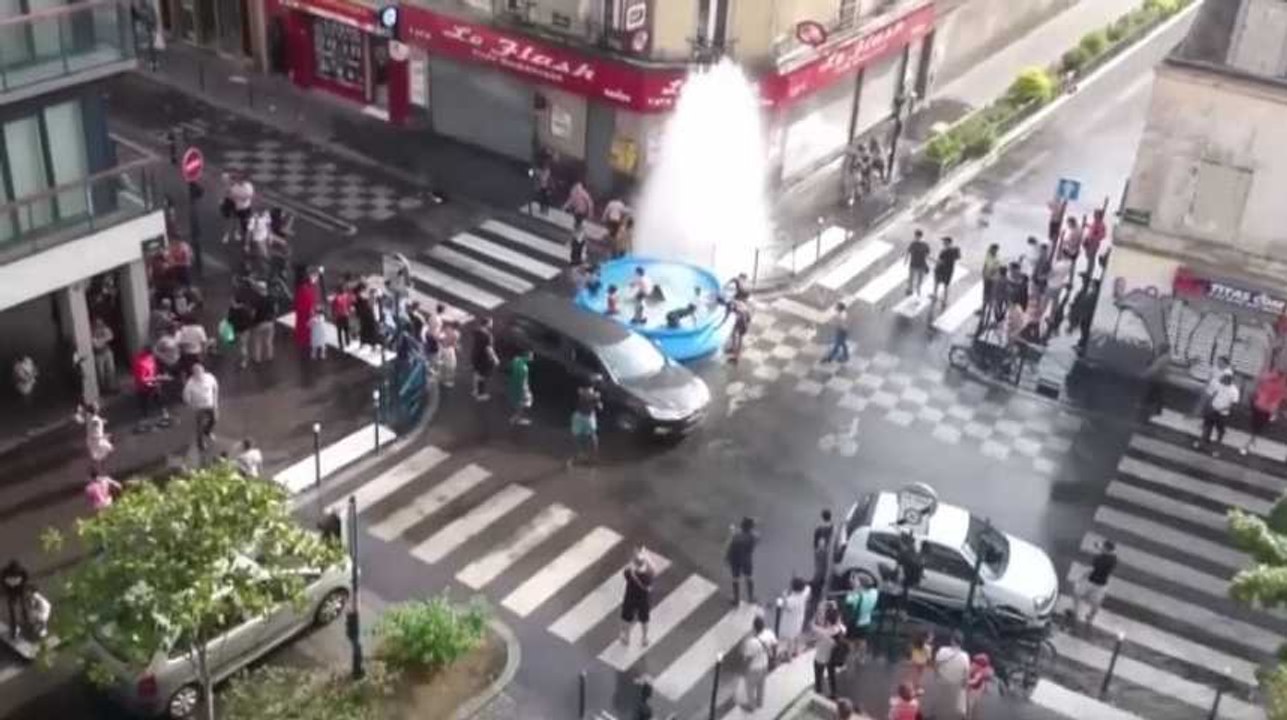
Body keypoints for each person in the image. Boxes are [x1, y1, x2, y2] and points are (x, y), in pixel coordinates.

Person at [1072, 539, 1116, 625]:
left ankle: (1075, 612)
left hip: (1091, 581)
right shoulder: (1114, 559)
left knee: (1077, 593)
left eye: (1103, 547)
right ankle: (1090, 617)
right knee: (1096, 603)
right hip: (1102, 584)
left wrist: (1080, 578)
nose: (1101, 548)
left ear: (1106, 549)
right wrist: (1098, 546)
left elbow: (1091, 570)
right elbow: (1108, 552)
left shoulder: (1098, 558)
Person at [1245, 368, 1286, 455]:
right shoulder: (1275, 383)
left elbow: (1279, 398)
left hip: (1264, 407)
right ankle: (1252, 440)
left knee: (1257, 424)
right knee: (1257, 424)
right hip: (1263, 407)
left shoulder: (1276, 384)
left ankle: (1251, 440)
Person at [1198, 371, 1240, 455]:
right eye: (1223, 376)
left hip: (1222, 414)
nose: (1222, 378)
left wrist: (1221, 409)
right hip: (1213, 409)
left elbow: (1233, 405)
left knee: (1220, 431)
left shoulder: (1234, 391)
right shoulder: (1218, 385)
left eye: (1225, 377)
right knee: (1207, 426)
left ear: (1229, 379)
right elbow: (1212, 395)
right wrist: (1210, 405)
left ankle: (1216, 448)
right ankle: (1202, 444)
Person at [740, 615, 777, 710]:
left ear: (754, 627)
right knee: (761, 685)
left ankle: (751, 706)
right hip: (765, 665)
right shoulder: (769, 633)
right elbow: (775, 645)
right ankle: (760, 702)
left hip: (754, 668)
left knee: (750, 687)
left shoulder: (751, 642)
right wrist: (773, 657)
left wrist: (744, 670)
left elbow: (749, 658)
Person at [931, 631, 970, 720]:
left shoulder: (942, 650)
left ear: (952, 640)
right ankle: (959, 715)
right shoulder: (965, 656)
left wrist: (936, 675)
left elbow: (936, 665)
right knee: (955, 699)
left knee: (940, 697)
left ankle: (936, 714)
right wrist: (964, 684)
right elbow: (966, 672)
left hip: (942, 680)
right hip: (956, 683)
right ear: (961, 643)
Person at [619, 548, 654, 646]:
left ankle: (626, 638)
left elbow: (625, 572)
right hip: (643, 599)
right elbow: (651, 570)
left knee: (627, 618)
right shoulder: (648, 574)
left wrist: (632, 565)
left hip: (630, 597)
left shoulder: (630, 573)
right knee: (644, 619)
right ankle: (644, 638)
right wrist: (647, 559)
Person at [183, 362, 219, 454]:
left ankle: (207, 431)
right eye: (197, 374)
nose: (200, 376)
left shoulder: (210, 377)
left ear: (203, 371)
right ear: (193, 374)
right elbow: (186, 397)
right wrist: (192, 405)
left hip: (210, 405)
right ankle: (200, 443)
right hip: (199, 408)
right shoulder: (190, 384)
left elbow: (215, 387)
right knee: (199, 427)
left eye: (200, 373)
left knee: (214, 419)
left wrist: (215, 401)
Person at [812, 602, 846, 697]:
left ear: (827, 621)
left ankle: (818, 691)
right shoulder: (841, 629)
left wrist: (819, 613)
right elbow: (838, 622)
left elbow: (813, 626)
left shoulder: (824, 633)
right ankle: (833, 692)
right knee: (831, 675)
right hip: (832, 659)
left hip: (821, 658)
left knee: (818, 675)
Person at [844, 574, 879, 662]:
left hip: (855, 622)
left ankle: (852, 655)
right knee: (862, 639)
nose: (854, 582)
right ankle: (862, 657)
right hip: (866, 621)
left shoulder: (854, 597)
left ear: (861, 584)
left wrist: (853, 589)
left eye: (856, 581)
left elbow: (848, 602)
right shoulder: (874, 593)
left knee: (850, 640)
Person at [132, 347, 168, 432]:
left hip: (153, 383)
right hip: (143, 386)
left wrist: (158, 377)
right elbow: (142, 379)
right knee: (144, 401)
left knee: (158, 397)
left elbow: (154, 368)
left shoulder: (151, 358)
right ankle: (145, 418)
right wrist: (155, 378)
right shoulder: (140, 363)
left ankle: (164, 412)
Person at [570, 377, 602, 466]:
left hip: (580, 416)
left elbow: (598, 406)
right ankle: (591, 456)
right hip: (587, 417)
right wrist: (596, 400)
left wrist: (596, 400)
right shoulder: (594, 395)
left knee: (578, 436)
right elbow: (600, 407)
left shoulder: (582, 392)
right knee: (591, 436)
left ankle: (582, 455)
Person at [726, 516, 758, 604]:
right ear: (750, 527)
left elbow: (731, 547)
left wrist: (727, 558)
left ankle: (736, 599)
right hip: (747, 560)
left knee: (735, 579)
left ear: (742, 526)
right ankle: (751, 597)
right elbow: (754, 539)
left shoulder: (736, 536)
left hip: (735, 560)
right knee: (749, 577)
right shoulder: (754, 537)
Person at [779, 576, 811, 658]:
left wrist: (784, 596)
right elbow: (808, 588)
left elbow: (785, 606)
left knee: (790, 640)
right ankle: (797, 651)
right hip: (799, 619)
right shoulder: (804, 593)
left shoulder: (791, 600)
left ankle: (789, 656)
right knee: (797, 635)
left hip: (790, 623)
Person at [471, 317, 499, 402]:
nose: (492, 325)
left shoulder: (477, 332)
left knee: (476, 374)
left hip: (475, 356)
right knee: (482, 377)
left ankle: (475, 391)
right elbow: (488, 349)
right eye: (491, 323)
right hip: (483, 359)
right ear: (487, 324)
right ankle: (480, 394)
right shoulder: (488, 336)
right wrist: (495, 358)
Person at [931, 237, 961, 308]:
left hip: (941, 270)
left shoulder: (944, 252)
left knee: (937, 282)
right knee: (946, 285)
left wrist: (930, 258)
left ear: (947, 242)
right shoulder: (954, 250)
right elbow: (958, 257)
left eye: (944, 242)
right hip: (949, 271)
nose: (943, 243)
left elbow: (940, 262)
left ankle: (935, 295)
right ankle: (945, 299)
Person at [811, 509, 834, 599]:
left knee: (818, 566)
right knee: (824, 565)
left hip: (821, 549)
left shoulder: (820, 529)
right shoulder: (831, 526)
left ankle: (815, 584)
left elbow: (820, 541)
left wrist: (817, 549)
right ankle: (822, 580)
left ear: (822, 517)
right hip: (826, 549)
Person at [507, 348, 534, 425]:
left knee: (520, 402)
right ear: (527, 356)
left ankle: (516, 417)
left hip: (514, 385)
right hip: (521, 387)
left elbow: (510, 369)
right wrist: (525, 389)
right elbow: (523, 380)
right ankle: (517, 418)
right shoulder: (524, 368)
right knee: (524, 402)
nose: (532, 358)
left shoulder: (516, 360)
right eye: (531, 356)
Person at [84, 402, 114, 469]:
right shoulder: (95, 421)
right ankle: (100, 466)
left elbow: (95, 423)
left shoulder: (92, 418)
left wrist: (102, 421)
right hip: (96, 441)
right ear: (96, 410)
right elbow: (95, 433)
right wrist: (104, 436)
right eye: (97, 407)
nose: (98, 408)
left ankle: (99, 466)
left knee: (99, 455)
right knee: (109, 448)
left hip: (93, 441)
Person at [91, 317, 117, 393]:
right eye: (97, 324)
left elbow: (110, 336)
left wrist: (101, 340)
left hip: (107, 352)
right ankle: (103, 389)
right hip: (98, 354)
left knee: (111, 370)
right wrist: (103, 340)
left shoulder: (105, 329)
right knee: (101, 373)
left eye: (101, 324)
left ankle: (112, 387)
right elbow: (96, 345)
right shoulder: (92, 332)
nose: (99, 326)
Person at [966, 653, 993, 719]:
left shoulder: (980, 672)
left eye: (975, 662)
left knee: (970, 706)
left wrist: (965, 682)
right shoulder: (980, 669)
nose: (973, 664)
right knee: (973, 706)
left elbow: (975, 681)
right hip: (975, 690)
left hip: (974, 691)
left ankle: (968, 717)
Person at [905, 230, 930, 297]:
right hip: (920, 264)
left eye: (915, 236)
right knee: (918, 279)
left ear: (917, 236)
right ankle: (916, 289)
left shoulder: (914, 244)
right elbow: (927, 255)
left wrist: (906, 260)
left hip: (915, 264)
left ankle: (911, 289)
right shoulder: (924, 245)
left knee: (912, 278)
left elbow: (908, 251)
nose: (915, 237)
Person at [331, 284, 355, 350]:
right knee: (345, 329)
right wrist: (349, 311)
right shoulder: (344, 297)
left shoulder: (337, 297)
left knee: (340, 330)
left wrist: (334, 315)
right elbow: (349, 304)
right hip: (344, 315)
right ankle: (347, 342)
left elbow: (333, 307)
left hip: (340, 316)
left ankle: (342, 343)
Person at [439, 320, 460, 388]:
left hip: (441, 348)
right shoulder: (456, 334)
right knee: (451, 366)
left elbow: (440, 337)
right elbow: (453, 343)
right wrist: (457, 347)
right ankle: (447, 381)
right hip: (449, 350)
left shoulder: (446, 328)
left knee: (441, 363)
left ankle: (440, 378)